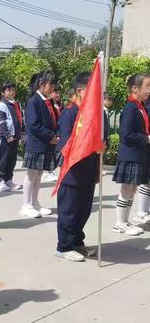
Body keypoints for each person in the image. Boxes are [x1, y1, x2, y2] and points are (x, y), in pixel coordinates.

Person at [55, 72, 102, 262]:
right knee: (69, 211)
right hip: (72, 173)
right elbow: (67, 146)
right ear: (80, 91)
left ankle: (76, 242)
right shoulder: (69, 114)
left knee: (83, 210)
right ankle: (64, 246)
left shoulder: (90, 115)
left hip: (88, 172)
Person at [112, 74, 150, 235]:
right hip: (130, 155)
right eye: (147, 87)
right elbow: (126, 135)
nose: (149, 91)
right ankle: (119, 222)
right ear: (135, 88)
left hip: (138, 155)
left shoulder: (139, 107)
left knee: (132, 189)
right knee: (126, 189)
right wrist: (147, 138)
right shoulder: (130, 108)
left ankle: (125, 221)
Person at [21, 72, 59, 219]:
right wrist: (50, 136)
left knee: (38, 175)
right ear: (41, 85)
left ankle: (34, 202)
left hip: (46, 144)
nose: (53, 87)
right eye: (50, 84)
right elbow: (33, 125)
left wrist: (56, 135)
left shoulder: (47, 101)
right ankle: (26, 205)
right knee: (31, 175)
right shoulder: (34, 101)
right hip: (37, 144)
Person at [0, 82, 23, 192]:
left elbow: (20, 119)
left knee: (12, 159)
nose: (11, 92)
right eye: (8, 90)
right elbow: (0, 121)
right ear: (2, 93)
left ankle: (8, 179)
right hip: (4, 137)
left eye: (13, 90)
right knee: (2, 159)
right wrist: (6, 135)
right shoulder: (2, 105)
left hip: (14, 137)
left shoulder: (16, 104)